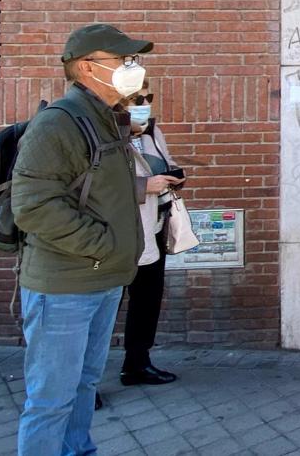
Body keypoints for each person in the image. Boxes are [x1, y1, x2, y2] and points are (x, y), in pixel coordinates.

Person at [11, 24, 152, 455]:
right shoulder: (59, 124)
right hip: (65, 287)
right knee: (51, 401)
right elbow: (33, 206)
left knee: (84, 386)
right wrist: (103, 245)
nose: (134, 68)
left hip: (102, 280)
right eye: (123, 61)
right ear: (88, 68)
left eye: (134, 60)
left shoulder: (107, 119)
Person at [121, 82, 185, 387]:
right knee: (100, 309)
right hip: (116, 235)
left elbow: (166, 162)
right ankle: (82, 383)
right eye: (136, 99)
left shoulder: (151, 133)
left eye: (148, 98)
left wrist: (173, 175)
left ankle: (137, 363)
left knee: (146, 300)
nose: (145, 104)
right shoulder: (102, 137)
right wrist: (144, 186)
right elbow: (91, 188)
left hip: (152, 229)